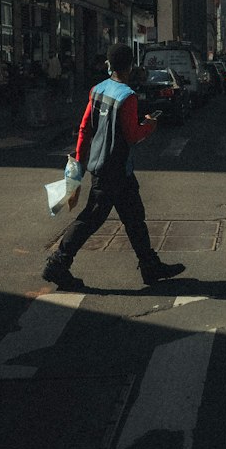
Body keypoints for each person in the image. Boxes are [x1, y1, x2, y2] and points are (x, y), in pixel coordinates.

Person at [41, 42, 185, 293]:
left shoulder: (97, 90)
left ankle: (150, 265)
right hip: (114, 169)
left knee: (134, 216)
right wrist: (149, 124)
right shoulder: (127, 96)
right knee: (92, 219)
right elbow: (132, 135)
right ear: (129, 66)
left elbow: (85, 128)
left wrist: (79, 162)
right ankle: (58, 263)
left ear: (109, 64)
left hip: (106, 167)